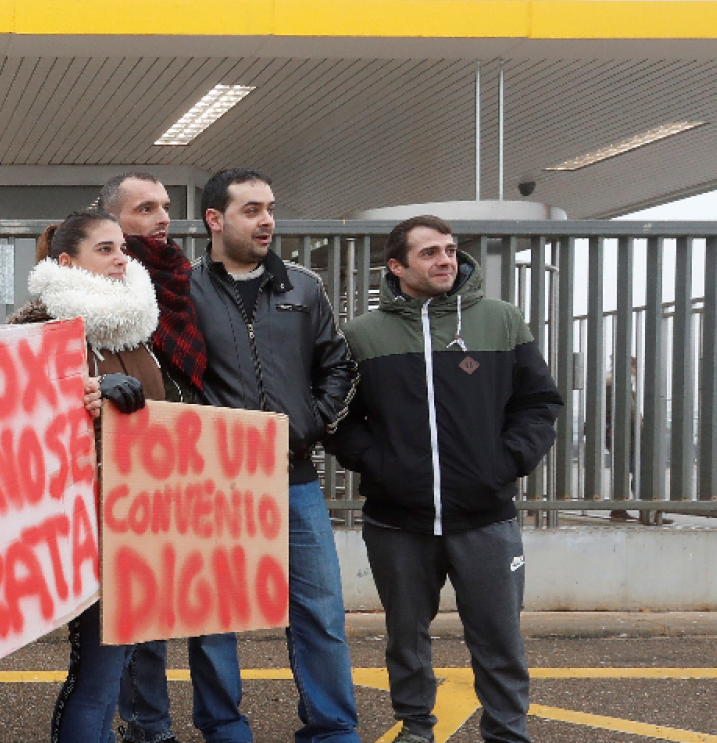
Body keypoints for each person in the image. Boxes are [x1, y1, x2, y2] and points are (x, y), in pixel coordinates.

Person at [332, 216, 563, 743]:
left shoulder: (500, 321)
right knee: (406, 640)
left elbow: (539, 403)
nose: (445, 261)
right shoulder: (362, 336)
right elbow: (341, 419)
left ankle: (507, 733)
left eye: (451, 251)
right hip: (398, 520)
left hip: (485, 517)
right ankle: (417, 729)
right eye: (430, 252)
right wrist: (382, 466)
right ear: (396, 266)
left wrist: (504, 464)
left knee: (499, 639)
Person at [187, 169, 362, 743]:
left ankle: (333, 729)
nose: (266, 221)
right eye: (251, 210)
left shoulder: (303, 288)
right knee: (214, 616)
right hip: (214, 482)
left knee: (320, 613)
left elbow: (338, 365)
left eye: (270, 209)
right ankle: (224, 729)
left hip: (293, 479)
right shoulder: (184, 291)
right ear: (215, 219)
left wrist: (310, 423)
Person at [95, 172, 240, 743]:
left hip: (190, 464)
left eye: (165, 206)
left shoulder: (186, 282)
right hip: (124, 475)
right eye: (145, 208)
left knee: (206, 605)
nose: (163, 218)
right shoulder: (98, 291)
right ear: (113, 222)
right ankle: (148, 728)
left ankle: (221, 724)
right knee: (139, 616)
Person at [8, 209, 162, 743]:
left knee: (111, 668)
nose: (122, 258)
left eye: (123, 248)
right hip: (79, 525)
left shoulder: (134, 330)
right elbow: (11, 425)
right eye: (106, 249)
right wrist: (81, 403)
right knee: (97, 674)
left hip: (135, 519)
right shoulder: (39, 331)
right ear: (67, 262)